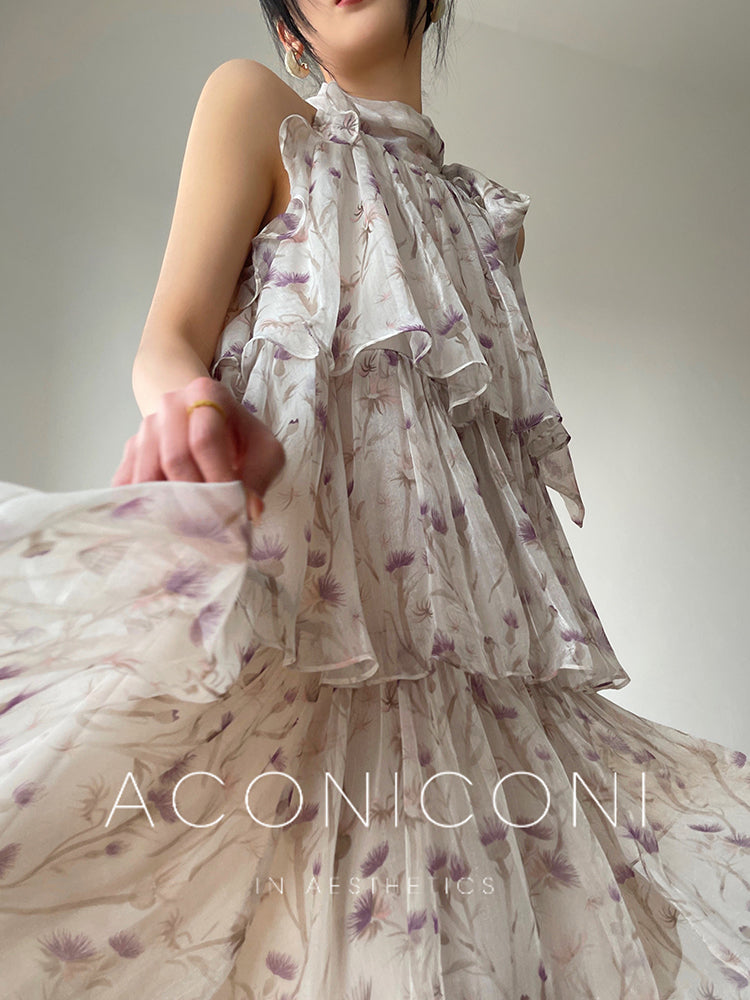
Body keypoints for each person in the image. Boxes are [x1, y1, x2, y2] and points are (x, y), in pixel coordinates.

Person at [1, 1, 749, 997]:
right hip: (299, 615)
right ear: (289, 31)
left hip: (468, 667)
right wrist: (194, 409)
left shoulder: (490, 223)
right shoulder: (258, 109)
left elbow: (482, 462)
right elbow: (168, 340)